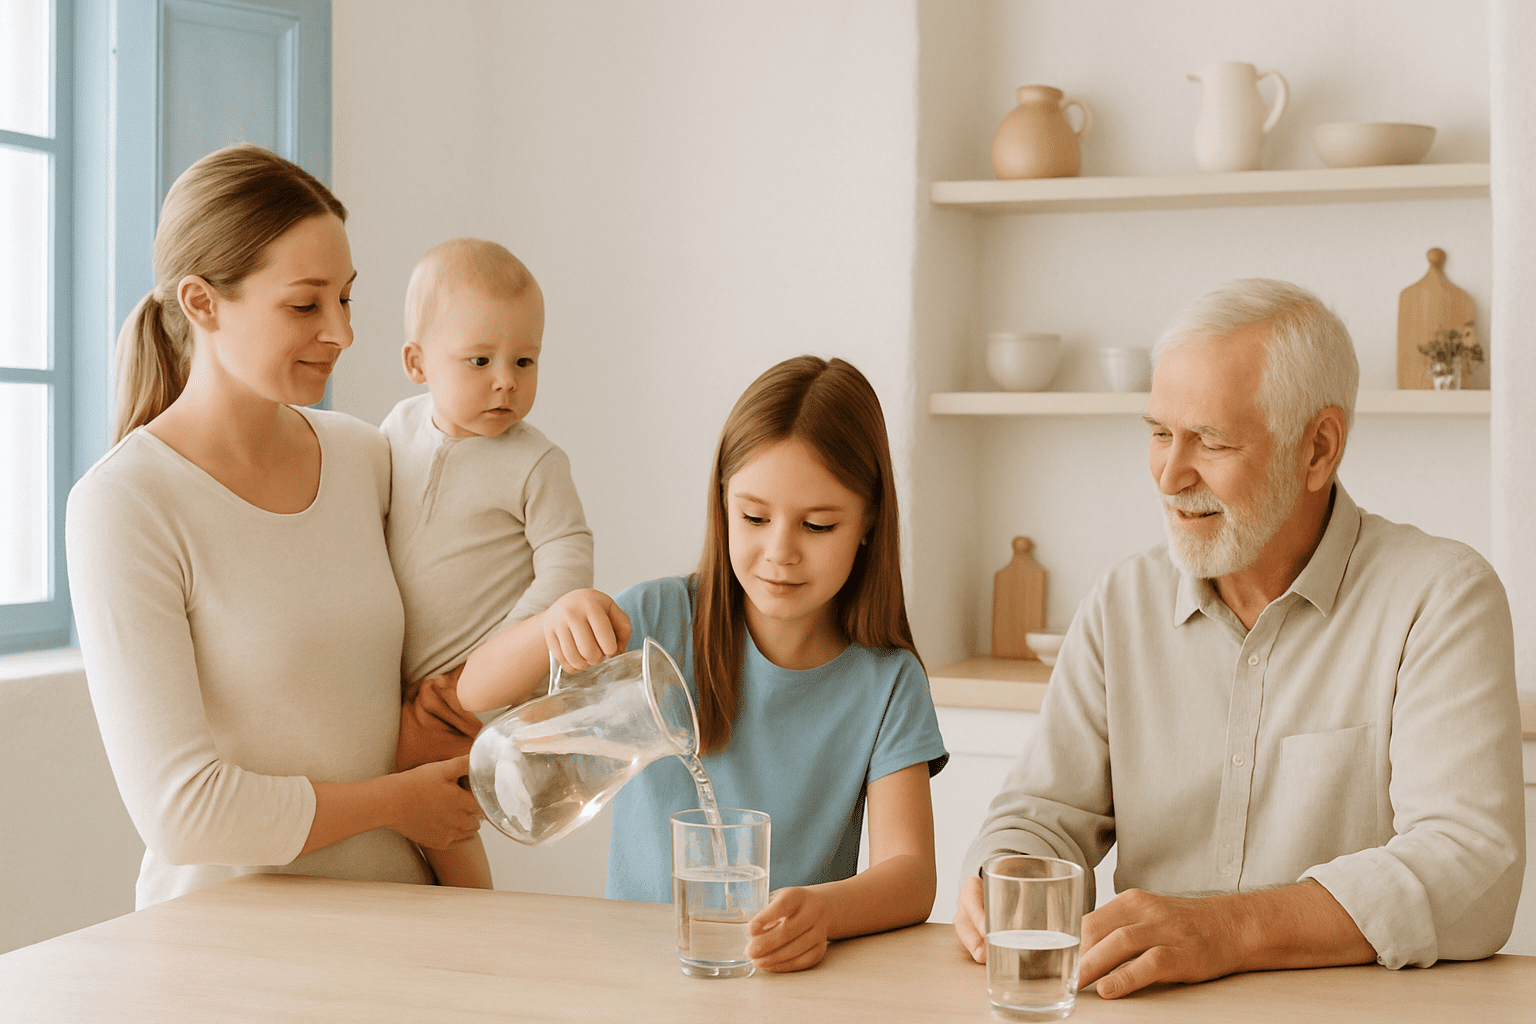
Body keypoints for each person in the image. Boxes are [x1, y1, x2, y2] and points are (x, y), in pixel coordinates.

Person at [954, 279, 1526, 997]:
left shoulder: (1441, 597)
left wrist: (1229, 930)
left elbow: (1470, 869)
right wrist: (1007, 870)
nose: (1169, 475)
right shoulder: (1120, 603)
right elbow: (1042, 816)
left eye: (1212, 441)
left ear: (1318, 449)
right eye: (1159, 433)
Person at [66, 145, 483, 908]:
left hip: (404, 924)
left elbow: (428, 689)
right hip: (227, 943)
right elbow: (182, 813)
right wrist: (396, 802)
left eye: (346, 298)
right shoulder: (126, 504)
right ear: (202, 303)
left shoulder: (366, 458)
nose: (341, 332)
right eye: (305, 305)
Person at [456, 355, 950, 972]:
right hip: (637, 972)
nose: (780, 552)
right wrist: (552, 622)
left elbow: (911, 875)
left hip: (786, 980)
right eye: (754, 517)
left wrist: (825, 913)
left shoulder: (887, 682)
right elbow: (475, 690)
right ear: (722, 504)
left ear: (868, 522)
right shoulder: (656, 619)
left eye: (818, 525)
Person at [381, 237, 594, 888]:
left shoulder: (534, 461)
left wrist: (512, 641)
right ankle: (461, 912)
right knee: (428, 799)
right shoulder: (395, 432)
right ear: (417, 362)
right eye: (480, 360)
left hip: (487, 672)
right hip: (410, 672)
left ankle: (476, 913)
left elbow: (568, 556)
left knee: (440, 795)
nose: (506, 379)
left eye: (525, 360)